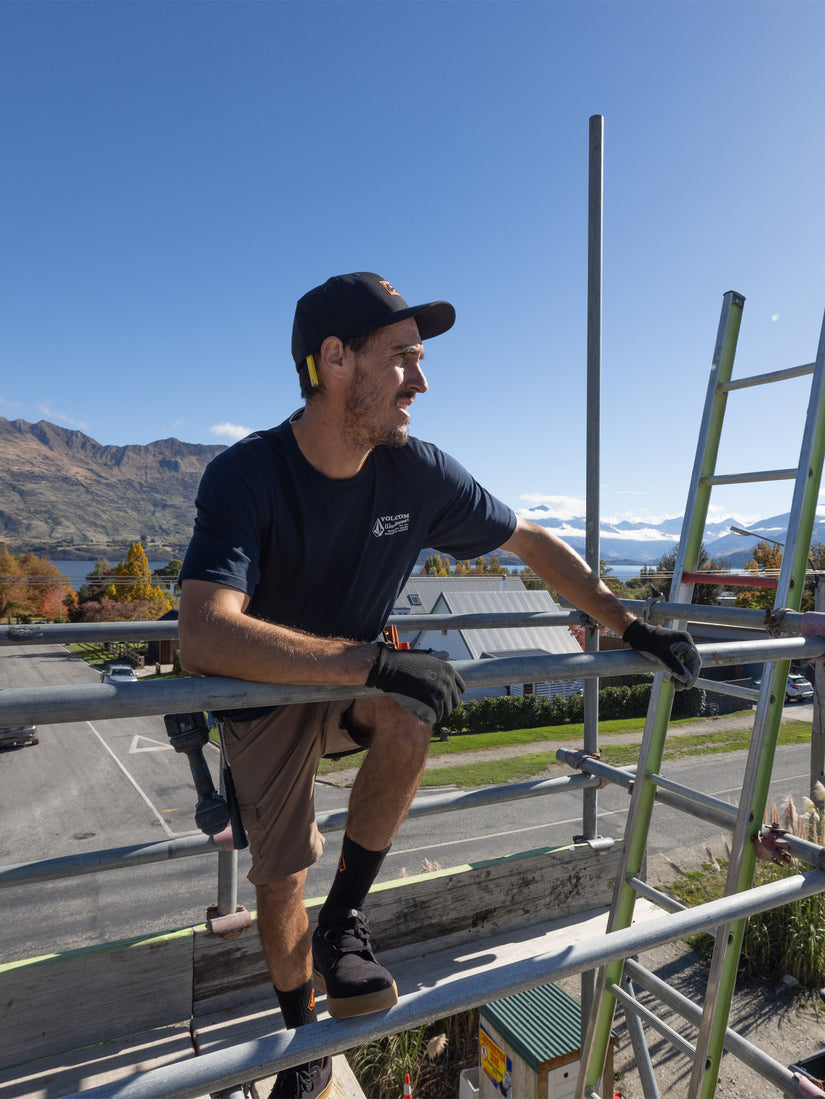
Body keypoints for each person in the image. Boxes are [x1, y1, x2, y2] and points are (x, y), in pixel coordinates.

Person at [178, 272, 700, 1099]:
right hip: (263, 696)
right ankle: (300, 1034)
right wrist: (371, 660)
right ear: (335, 358)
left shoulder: (414, 473)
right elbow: (204, 628)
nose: (422, 381)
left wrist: (626, 626)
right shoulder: (248, 475)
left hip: (351, 686)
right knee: (280, 877)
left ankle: (345, 918)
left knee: (412, 704)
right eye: (404, 359)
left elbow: (528, 539)